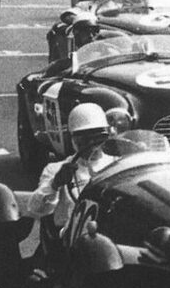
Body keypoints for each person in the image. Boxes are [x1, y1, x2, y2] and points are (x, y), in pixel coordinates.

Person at [19, 103, 117, 247]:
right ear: (74, 141)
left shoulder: (118, 163)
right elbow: (35, 209)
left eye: (98, 138)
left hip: (111, 230)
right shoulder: (55, 170)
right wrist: (55, 184)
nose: (93, 145)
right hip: (70, 239)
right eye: (85, 140)